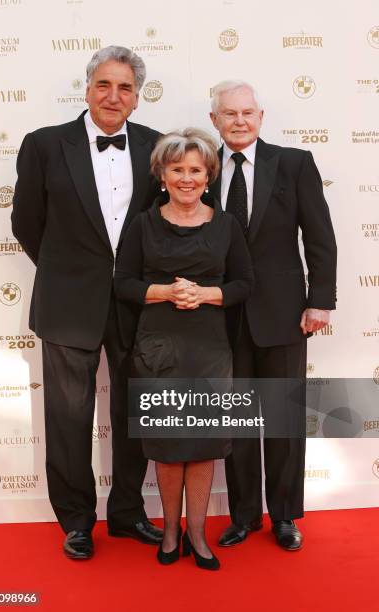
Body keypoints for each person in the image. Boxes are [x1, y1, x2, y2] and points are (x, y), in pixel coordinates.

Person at [11, 45, 163, 560]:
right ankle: (76, 520)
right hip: (67, 302)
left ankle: (126, 514)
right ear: (87, 88)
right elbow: (26, 223)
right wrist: (67, 271)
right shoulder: (44, 145)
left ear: (137, 99)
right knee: (68, 416)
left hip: (137, 305)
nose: (112, 96)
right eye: (104, 84)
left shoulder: (157, 146)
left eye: (124, 88)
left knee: (135, 413)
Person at [114, 128, 254, 569]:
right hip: (158, 345)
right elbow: (124, 284)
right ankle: (170, 532)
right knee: (169, 444)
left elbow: (244, 284)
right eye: (178, 169)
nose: (187, 178)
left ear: (208, 176)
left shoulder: (227, 224)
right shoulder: (143, 224)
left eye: (195, 170)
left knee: (205, 443)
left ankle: (198, 533)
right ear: (163, 175)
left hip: (209, 346)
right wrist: (167, 292)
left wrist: (205, 295)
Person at [209, 81, 337, 550]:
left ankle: (284, 516)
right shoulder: (201, 167)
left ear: (261, 116)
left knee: (282, 421)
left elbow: (319, 236)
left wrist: (320, 299)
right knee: (237, 424)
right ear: (215, 121)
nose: (239, 121)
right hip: (222, 317)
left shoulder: (294, 163)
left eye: (247, 112)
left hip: (285, 315)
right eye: (229, 114)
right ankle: (243, 516)